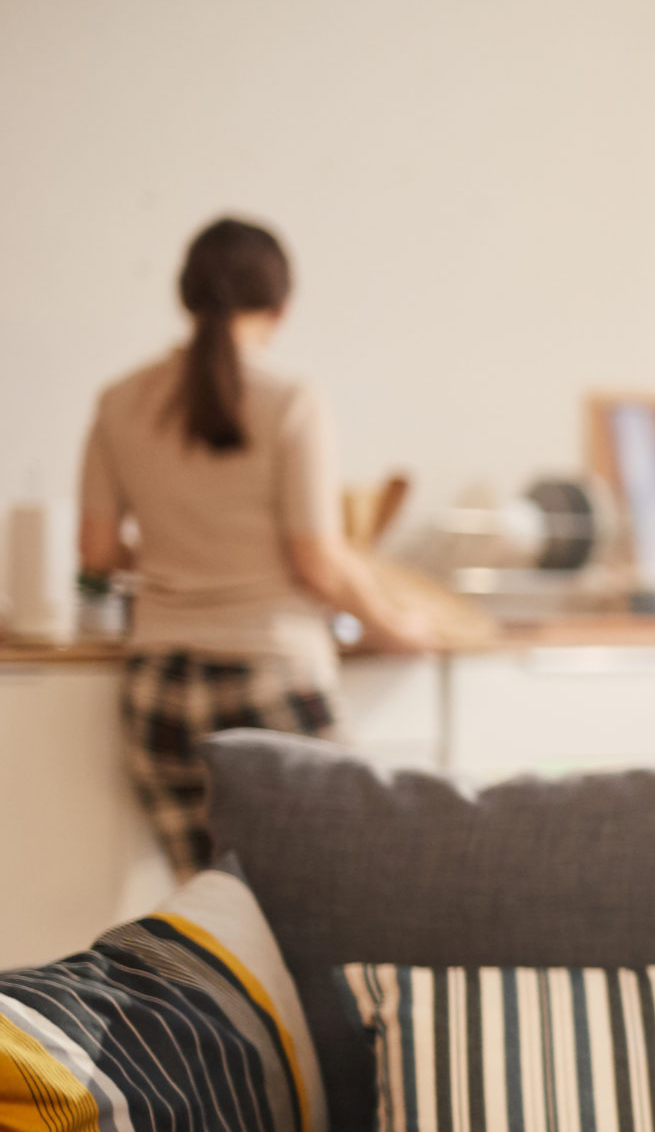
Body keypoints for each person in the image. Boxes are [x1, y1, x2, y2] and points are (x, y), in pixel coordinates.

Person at [78, 217, 434, 876]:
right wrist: (397, 625)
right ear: (280, 306)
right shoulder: (290, 400)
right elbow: (315, 558)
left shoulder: (118, 401)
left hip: (158, 687)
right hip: (270, 677)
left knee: (215, 916)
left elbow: (96, 552)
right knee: (344, 891)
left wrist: (175, 551)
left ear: (187, 295)